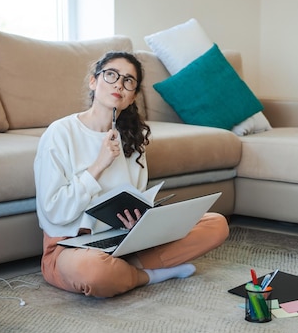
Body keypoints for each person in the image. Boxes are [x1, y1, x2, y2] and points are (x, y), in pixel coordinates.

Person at [34, 51, 229, 298]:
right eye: (111, 75)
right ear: (94, 81)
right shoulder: (60, 133)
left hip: (122, 241)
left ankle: (124, 270)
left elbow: (134, 198)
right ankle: (147, 275)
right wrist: (99, 165)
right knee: (94, 272)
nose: (119, 84)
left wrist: (138, 222)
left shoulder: (131, 140)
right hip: (70, 247)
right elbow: (54, 211)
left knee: (216, 224)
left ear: (132, 96)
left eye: (128, 80)